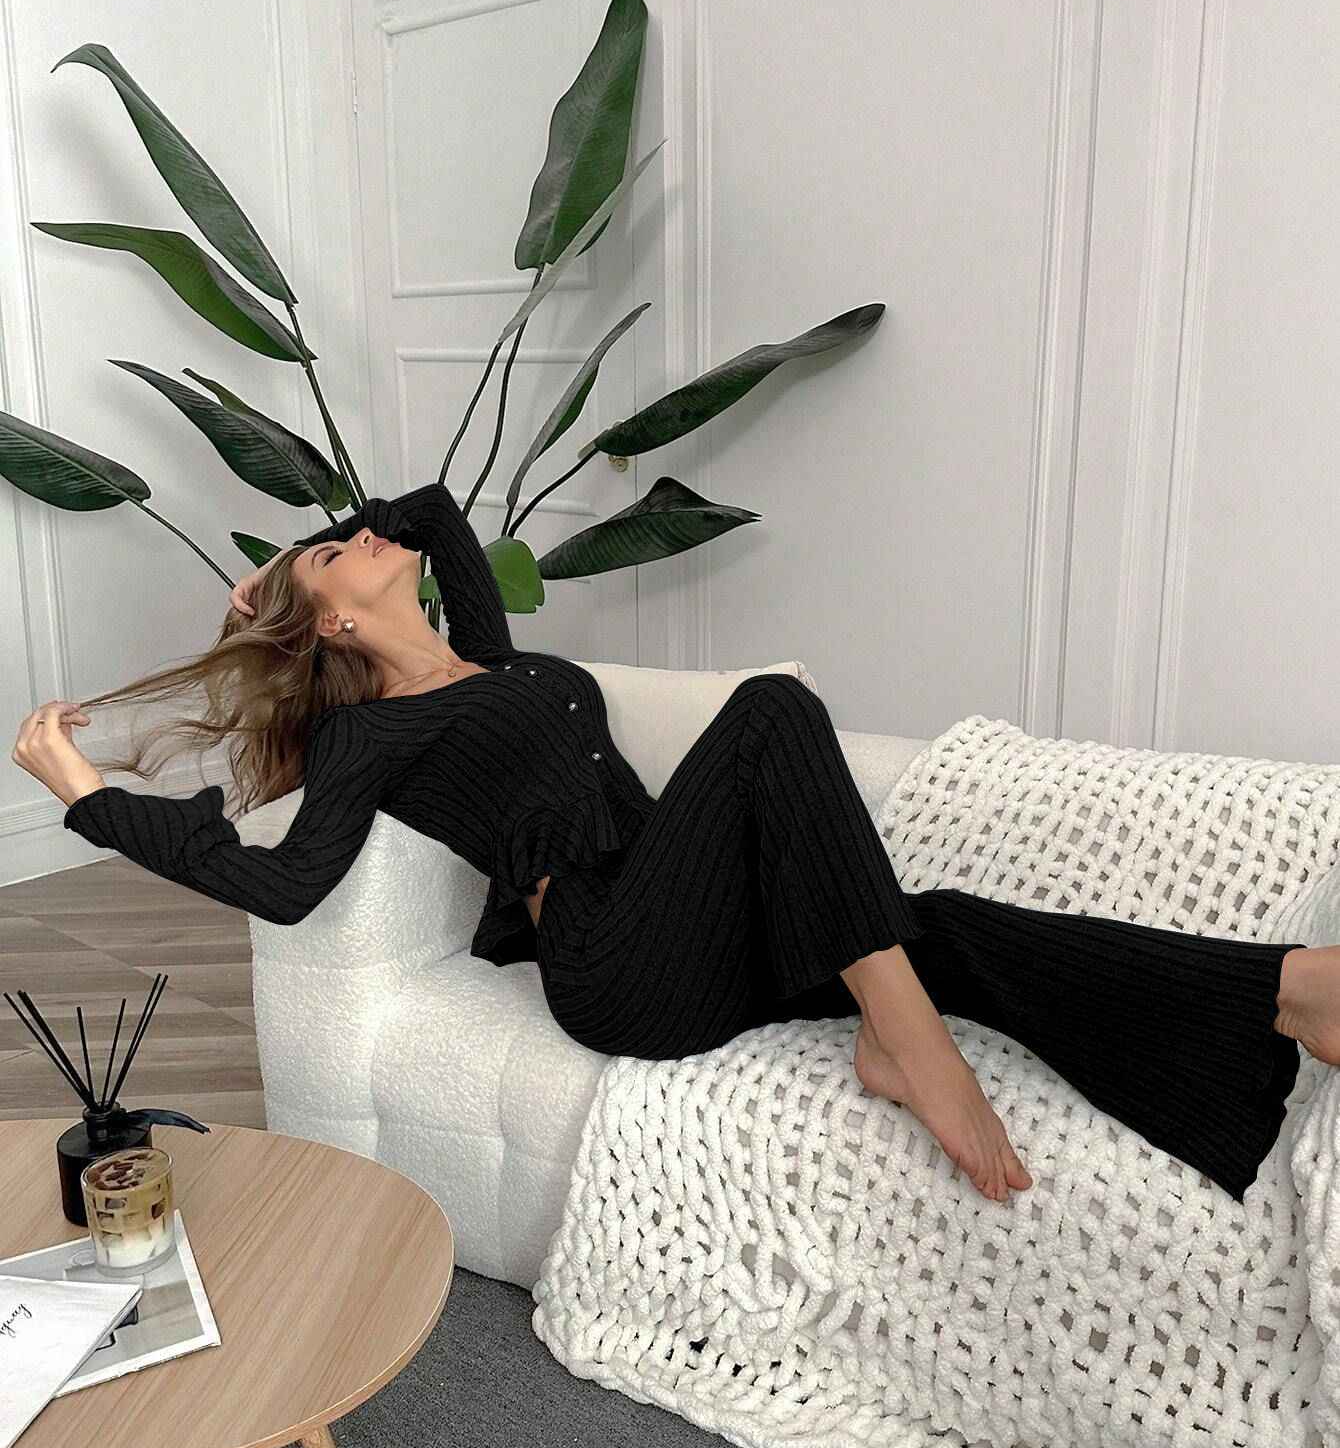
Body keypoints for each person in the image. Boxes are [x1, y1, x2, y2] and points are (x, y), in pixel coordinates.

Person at [14, 480, 1338, 1208]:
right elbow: (285, 882)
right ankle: (912, 1046)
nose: (359, 538)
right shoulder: (372, 735)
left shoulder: (494, 663)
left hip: (693, 914)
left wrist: (325, 551)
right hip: (618, 963)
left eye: (349, 535)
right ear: (336, 627)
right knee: (769, 711)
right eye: (332, 559)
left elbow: (436, 512)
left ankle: (1285, 991)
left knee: (940, 921)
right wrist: (83, 793)